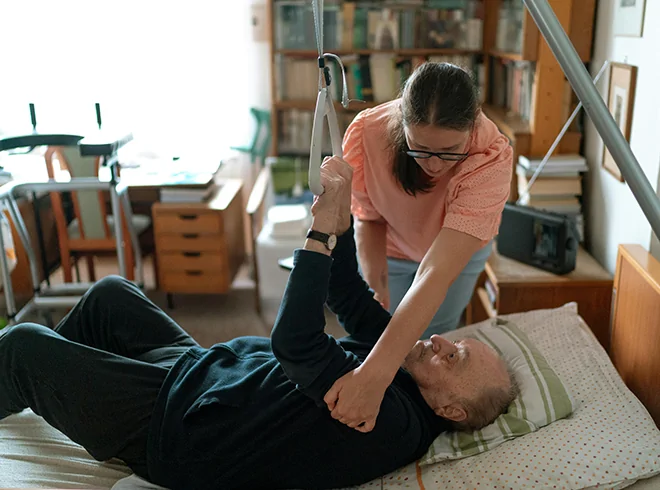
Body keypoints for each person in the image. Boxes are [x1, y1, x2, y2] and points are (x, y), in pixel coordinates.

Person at [0, 158, 517, 490]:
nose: (445, 342)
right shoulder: (397, 362)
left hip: (180, 430)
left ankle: (33, 381)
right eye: (459, 343)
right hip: (204, 374)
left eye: (457, 359)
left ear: (450, 408)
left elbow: (295, 343)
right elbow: (351, 297)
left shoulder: (392, 420)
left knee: (24, 346)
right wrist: (340, 221)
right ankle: (36, 390)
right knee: (111, 295)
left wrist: (317, 235)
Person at [325, 62, 513, 432]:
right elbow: (369, 217)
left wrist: (373, 380)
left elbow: (436, 272)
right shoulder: (369, 132)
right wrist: (374, 281)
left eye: (449, 151)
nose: (432, 164)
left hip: (453, 258)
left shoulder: (490, 157)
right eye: (419, 149)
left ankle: (412, 425)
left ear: (472, 125)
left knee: (429, 345)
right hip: (392, 245)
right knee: (382, 333)